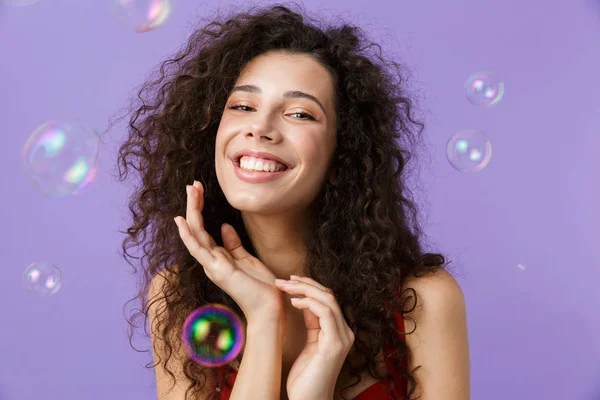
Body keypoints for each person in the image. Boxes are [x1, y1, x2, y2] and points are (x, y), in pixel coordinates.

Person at [116, 3, 470, 400]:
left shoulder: (422, 302)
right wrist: (266, 316)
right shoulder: (177, 295)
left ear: (343, 156)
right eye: (243, 106)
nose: (260, 128)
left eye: (300, 114)